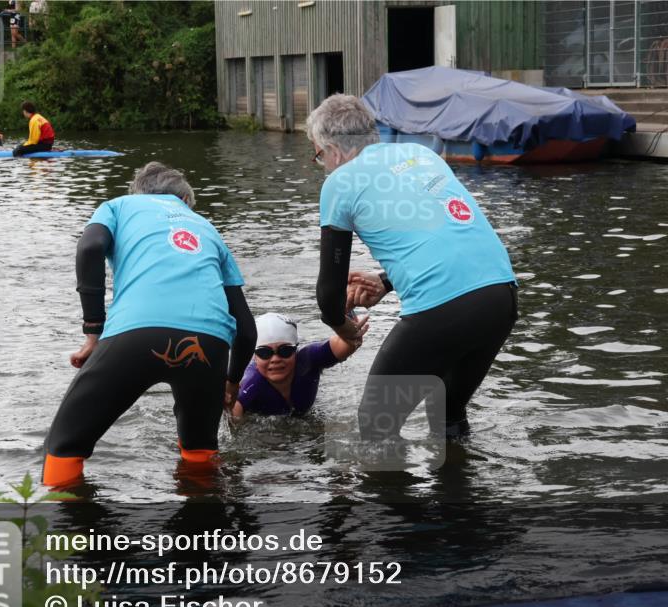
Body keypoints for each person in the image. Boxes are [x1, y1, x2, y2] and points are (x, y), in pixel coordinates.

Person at [308, 94, 518, 442]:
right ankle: (458, 491)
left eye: (319, 156)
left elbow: (328, 293)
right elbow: (450, 236)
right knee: (449, 413)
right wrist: (387, 281)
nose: (324, 167)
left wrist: (345, 329)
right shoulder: (420, 154)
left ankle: (394, 498)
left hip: (443, 309)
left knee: (376, 425)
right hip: (500, 296)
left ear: (333, 149)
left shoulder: (339, 183)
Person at [41, 162, 256, 486]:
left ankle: (68, 528)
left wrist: (93, 333)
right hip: (209, 344)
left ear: (139, 192)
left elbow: (89, 247)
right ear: (185, 201)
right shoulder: (206, 227)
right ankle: (202, 525)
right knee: (199, 450)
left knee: (64, 445)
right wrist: (231, 381)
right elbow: (246, 327)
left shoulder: (118, 206)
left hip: (136, 334)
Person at [232, 312, 367, 418]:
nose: (275, 359)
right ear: (255, 356)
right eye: (264, 353)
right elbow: (231, 423)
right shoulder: (250, 382)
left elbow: (349, 342)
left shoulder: (308, 359)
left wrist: (346, 316)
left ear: (295, 350)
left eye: (285, 350)